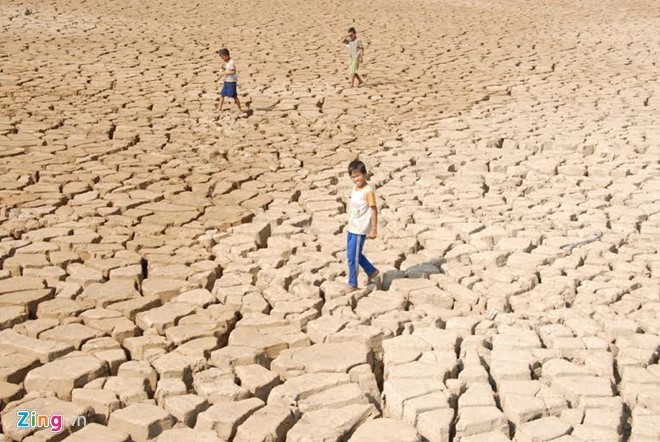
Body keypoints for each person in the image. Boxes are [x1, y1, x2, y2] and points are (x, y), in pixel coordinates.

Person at [344, 160, 379, 292]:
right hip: (352, 226)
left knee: (353, 257)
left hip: (360, 228)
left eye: (358, 175)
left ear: (364, 174)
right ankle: (371, 271)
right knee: (352, 254)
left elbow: (374, 209)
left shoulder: (368, 191)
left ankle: (352, 283)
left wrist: (374, 229)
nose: (356, 179)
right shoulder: (355, 188)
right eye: (353, 177)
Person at [216, 48, 242, 112]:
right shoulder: (227, 63)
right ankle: (219, 108)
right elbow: (228, 71)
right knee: (222, 95)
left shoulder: (231, 62)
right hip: (226, 81)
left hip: (231, 82)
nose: (222, 59)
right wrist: (223, 68)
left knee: (234, 96)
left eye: (222, 57)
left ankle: (239, 109)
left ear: (227, 56)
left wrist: (223, 73)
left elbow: (232, 72)